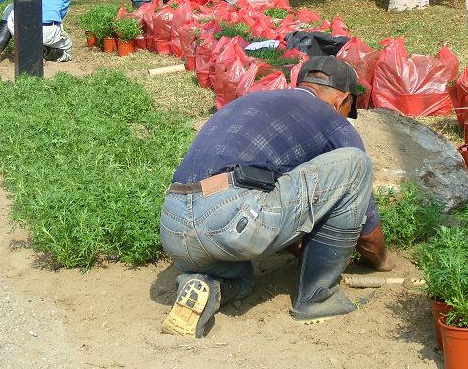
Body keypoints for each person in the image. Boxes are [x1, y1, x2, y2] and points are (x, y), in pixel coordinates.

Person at [159, 56, 394, 338]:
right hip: (230, 221)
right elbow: (365, 225)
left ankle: (206, 287)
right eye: (347, 111)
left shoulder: (254, 101)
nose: (345, 118)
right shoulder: (331, 118)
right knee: (357, 164)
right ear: (343, 100)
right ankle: (319, 299)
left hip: (174, 226)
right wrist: (380, 260)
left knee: (241, 276)